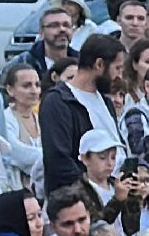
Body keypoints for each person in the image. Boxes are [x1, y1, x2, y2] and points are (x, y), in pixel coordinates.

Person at [41, 33, 126, 196]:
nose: (119, 76)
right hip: (79, 203)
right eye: (117, 68)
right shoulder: (58, 102)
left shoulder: (105, 101)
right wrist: (95, 195)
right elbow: (59, 162)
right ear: (99, 64)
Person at [0, 63, 45, 191]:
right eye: (26, 86)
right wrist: (51, 156)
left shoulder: (42, 118)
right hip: (14, 190)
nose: (34, 91)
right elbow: (16, 153)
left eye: (37, 85)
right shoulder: (5, 119)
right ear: (10, 90)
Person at [18, 4, 76, 81]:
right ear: (41, 32)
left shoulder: (82, 63)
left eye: (66, 25)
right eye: (54, 25)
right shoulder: (23, 62)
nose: (62, 29)